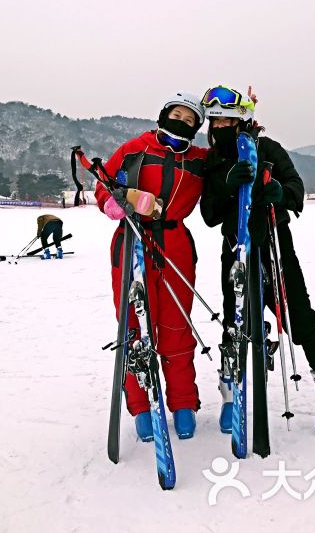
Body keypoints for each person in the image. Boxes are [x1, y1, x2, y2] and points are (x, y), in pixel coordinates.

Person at [200, 84, 315, 437]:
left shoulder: (268, 149)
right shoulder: (215, 160)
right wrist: (229, 186)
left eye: (226, 121)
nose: (219, 128)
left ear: (243, 120)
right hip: (235, 247)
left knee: (297, 315)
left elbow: (298, 191)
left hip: (275, 243)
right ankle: (230, 393)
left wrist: (279, 193)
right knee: (235, 321)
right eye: (214, 121)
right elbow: (209, 214)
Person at [95, 92, 208, 442]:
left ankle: (183, 403)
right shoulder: (135, 148)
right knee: (134, 325)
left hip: (175, 245)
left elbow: (229, 162)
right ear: (164, 114)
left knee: (176, 325)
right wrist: (119, 203)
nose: (182, 122)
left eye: (191, 120)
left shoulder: (199, 159)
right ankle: (141, 406)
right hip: (132, 241)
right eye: (178, 114)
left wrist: (245, 129)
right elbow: (103, 186)